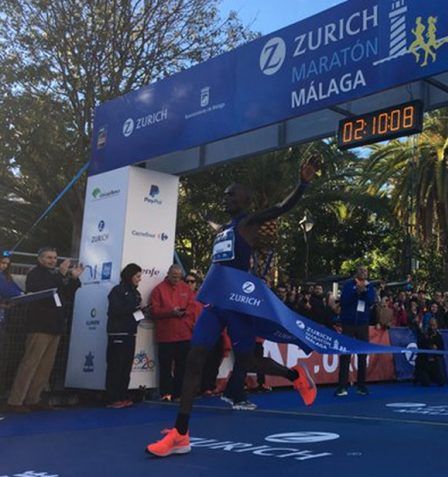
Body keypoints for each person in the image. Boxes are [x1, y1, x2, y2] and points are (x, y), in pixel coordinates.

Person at [146, 155, 320, 457]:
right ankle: (180, 433)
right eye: (224, 193)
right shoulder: (223, 229)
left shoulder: (249, 224)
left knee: (248, 361)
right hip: (215, 303)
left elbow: (282, 208)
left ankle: (296, 376)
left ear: (245, 199)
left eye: (231, 194)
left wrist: (302, 183)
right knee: (194, 359)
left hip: (239, 303)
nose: (225, 197)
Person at [7, 247, 82, 412]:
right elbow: (45, 292)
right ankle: (16, 400)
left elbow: (66, 294)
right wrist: (62, 275)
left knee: (45, 366)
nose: (53, 260)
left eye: (55, 257)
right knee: (30, 363)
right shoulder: (36, 273)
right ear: (40, 258)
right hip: (39, 325)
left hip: (55, 325)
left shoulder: (54, 275)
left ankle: (34, 398)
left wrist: (74, 278)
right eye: (49, 257)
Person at [149, 264, 195, 401]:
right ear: (168, 274)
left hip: (183, 334)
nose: (176, 279)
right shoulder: (158, 290)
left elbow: (193, 307)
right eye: (174, 276)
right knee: (165, 367)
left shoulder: (186, 288)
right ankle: (166, 393)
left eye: (178, 277)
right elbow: (154, 311)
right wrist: (170, 312)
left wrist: (184, 313)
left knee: (182, 366)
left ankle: (179, 393)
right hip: (166, 336)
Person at [105, 264, 143, 408]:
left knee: (126, 366)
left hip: (130, 333)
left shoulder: (136, 292)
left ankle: (122, 395)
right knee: (116, 365)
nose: (139, 280)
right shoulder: (118, 290)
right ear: (130, 275)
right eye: (137, 276)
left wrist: (142, 312)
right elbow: (114, 310)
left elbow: (135, 313)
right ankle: (112, 398)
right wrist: (133, 308)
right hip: (118, 333)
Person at [335, 266, 376, 397]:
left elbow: (370, 301)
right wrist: (355, 292)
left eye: (366, 271)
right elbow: (344, 301)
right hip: (348, 323)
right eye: (361, 271)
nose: (363, 273)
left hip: (362, 324)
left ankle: (361, 386)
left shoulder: (370, 286)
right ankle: (342, 386)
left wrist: (363, 292)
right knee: (345, 355)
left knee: (362, 355)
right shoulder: (348, 285)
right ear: (357, 273)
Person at [0, 251, 23, 328]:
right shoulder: (2, 277)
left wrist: (22, 293)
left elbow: (13, 287)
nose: (5, 266)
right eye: (3, 263)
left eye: (7, 264)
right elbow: (7, 289)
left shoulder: (4, 276)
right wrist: (22, 295)